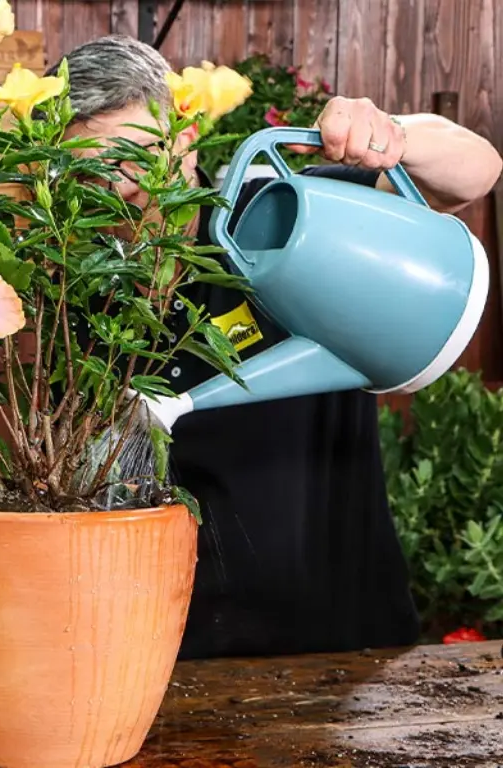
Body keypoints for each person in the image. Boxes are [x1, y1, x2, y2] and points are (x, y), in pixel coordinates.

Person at [45, 36, 503, 659]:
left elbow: (476, 171)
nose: (115, 187)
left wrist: (390, 131)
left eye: (129, 155)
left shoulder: (287, 220)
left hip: (337, 635)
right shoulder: (80, 287)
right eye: (86, 171)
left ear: (181, 127)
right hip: (171, 644)